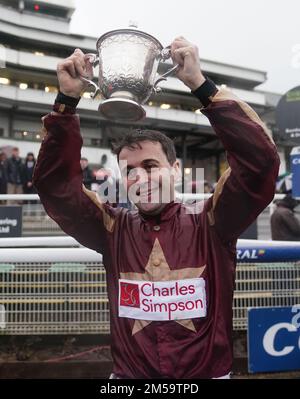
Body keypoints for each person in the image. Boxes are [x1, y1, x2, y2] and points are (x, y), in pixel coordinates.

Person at [33, 38, 280, 379]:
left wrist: (199, 84)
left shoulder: (213, 220)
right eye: (129, 170)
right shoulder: (111, 227)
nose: (140, 177)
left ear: (176, 171)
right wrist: (66, 101)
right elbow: (55, 187)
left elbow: (260, 165)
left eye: (150, 165)